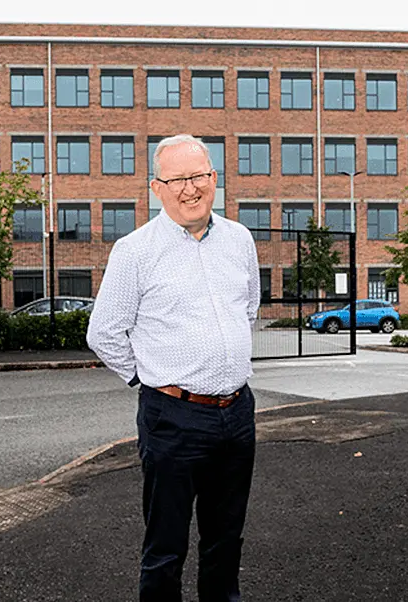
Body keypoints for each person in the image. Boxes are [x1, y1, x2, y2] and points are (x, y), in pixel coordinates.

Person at [87, 134, 260, 602]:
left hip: (237, 413)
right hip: (173, 418)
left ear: (215, 180)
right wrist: (147, 380)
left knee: (226, 541)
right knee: (165, 548)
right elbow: (103, 333)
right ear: (156, 188)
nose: (190, 189)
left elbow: (248, 311)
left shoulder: (240, 241)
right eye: (177, 179)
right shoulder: (135, 251)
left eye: (199, 176)